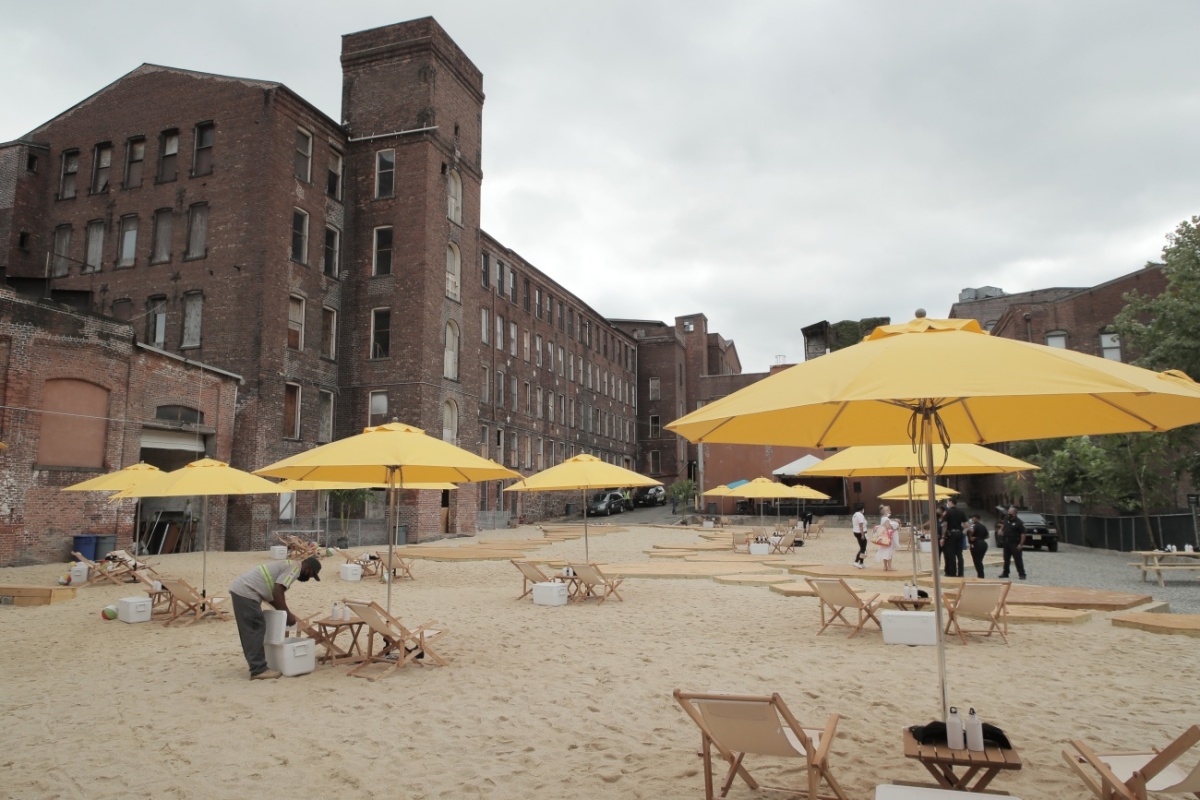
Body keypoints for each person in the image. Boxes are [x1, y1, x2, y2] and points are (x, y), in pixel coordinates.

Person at [229, 556, 321, 680]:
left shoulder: (289, 564)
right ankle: (258, 670)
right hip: (247, 592)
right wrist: (287, 614)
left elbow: (273, 595)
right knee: (255, 628)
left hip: (242, 590)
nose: (309, 578)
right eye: (311, 575)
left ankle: (257, 666)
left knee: (253, 629)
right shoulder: (295, 568)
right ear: (308, 567)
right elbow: (278, 591)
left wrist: (284, 612)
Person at [999, 505, 1028, 580]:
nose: (1009, 514)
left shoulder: (1019, 522)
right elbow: (1004, 524)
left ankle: (1022, 574)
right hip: (1006, 542)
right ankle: (1005, 573)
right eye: (1008, 512)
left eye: (1010, 513)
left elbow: (1023, 534)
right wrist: (1001, 530)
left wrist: (1021, 544)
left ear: (1015, 513)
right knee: (1006, 558)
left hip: (1015, 542)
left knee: (1018, 559)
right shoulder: (1006, 519)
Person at [941, 499, 968, 578]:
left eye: (948, 502)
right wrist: (963, 531)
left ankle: (953, 573)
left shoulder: (947, 512)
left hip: (951, 534)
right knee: (959, 554)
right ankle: (961, 573)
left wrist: (943, 536)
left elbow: (945, 525)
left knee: (951, 554)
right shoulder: (961, 512)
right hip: (959, 533)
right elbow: (966, 524)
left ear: (951, 502)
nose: (948, 503)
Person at [873, 505, 900, 571]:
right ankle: (889, 566)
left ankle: (885, 566)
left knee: (884, 551)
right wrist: (895, 526)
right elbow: (888, 526)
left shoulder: (883, 518)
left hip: (884, 538)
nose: (890, 511)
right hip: (888, 537)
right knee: (889, 552)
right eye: (888, 510)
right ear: (885, 512)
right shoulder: (886, 519)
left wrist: (893, 521)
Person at [967, 513, 989, 578]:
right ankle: (981, 574)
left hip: (976, 544)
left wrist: (970, 537)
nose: (971, 519)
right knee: (979, 560)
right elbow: (987, 536)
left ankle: (980, 575)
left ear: (976, 518)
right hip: (983, 543)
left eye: (972, 518)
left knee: (977, 561)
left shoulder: (973, 525)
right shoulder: (983, 526)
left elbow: (971, 531)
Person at [850, 503, 868, 569]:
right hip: (860, 532)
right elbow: (860, 525)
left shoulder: (854, 514)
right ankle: (856, 561)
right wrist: (862, 534)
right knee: (863, 548)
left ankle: (861, 562)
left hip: (856, 531)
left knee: (863, 548)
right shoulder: (860, 515)